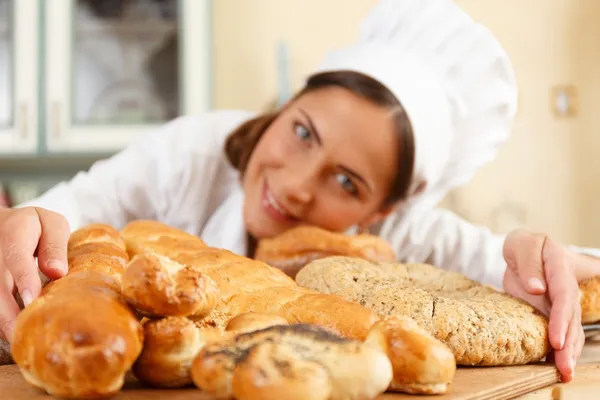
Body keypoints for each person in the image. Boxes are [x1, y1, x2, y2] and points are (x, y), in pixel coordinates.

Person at [0, 0, 596, 382]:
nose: (295, 184)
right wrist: (29, 226)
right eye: (304, 131)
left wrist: (536, 259)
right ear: (285, 106)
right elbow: (65, 216)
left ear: (384, 208)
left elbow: (533, 274)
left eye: (347, 181)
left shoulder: (401, 239)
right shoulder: (191, 155)